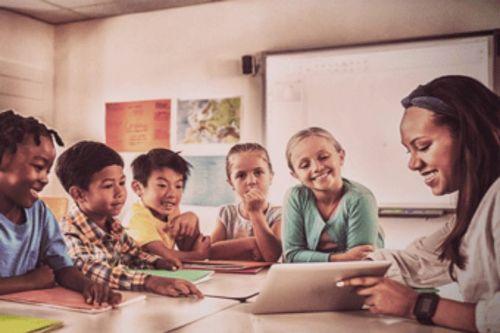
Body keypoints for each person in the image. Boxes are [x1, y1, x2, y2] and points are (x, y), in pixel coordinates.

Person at [338, 75, 499, 333]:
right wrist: (352, 263)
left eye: (422, 146)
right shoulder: (475, 210)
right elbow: (418, 261)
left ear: (470, 134)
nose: (413, 163)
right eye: (409, 151)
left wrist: (417, 305)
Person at [0, 110, 121, 307]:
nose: (45, 179)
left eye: (47, 171)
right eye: (38, 167)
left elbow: (62, 267)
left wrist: (88, 285)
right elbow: (41, 278)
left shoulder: (39, 213)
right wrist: (30, 281)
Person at [56, 141, 202, 298]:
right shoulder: (68, 233)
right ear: (79, 194)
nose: (120, 192)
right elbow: (91, 270)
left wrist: (157, 262)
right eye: (108, 186)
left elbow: (134, 254)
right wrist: (150, 281)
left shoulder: (113, 225)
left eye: (121, 183)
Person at [282, 127, 384, 263]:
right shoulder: (295, 197)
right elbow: (292, 256)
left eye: (323, 157)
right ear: (295, 175)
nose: (317, 167)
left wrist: (310, 258)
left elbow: (360, 261)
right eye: (305, 165)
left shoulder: (360, 198)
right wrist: (342, 258)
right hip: (311, 277)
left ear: (340, 157)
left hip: (357, 278)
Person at [124, 148, 210, 261]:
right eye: (162, 185)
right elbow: (164, 256)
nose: (172, 194)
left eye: (178, 186)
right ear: (138, 188)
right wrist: (198, 255)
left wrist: (192, 218)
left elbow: (188, 247)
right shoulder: (137, 217)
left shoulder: (170, 211)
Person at [211, 143, 282, 262]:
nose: (251, 181)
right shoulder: (226, 213)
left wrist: (255, 212)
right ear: (231, 183)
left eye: (258, 172)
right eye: (241, 175)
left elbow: (272, 256)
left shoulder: (279, 214)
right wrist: (252, 243)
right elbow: (210, 252)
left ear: (270, 176)